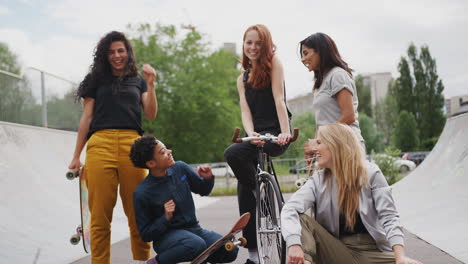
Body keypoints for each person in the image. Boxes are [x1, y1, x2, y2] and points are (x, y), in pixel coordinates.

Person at [68, 31, 157, 264]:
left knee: (138, 213)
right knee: (99, 217)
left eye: (120, 50)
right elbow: (86, 118)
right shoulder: (95, 81)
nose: (116, 55)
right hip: (100, 145)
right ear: (105, 55)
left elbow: (150, 114)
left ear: (127, 53)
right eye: (111, 51)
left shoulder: (139, 82)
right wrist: (76, 156)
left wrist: (151, 84)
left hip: (132, 146)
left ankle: (142, 261)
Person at [281, 123, 422, 264]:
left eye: (319, 142)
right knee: (300, 217)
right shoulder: (318, 180)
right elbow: (289, 209)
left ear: (336, 144)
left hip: (372, 252)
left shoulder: (371, 173)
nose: (314, 148)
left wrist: (400, 257)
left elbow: (389, 216)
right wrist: (294, 243)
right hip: (336, 251)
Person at [224, 24, 292, 264]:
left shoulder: (275, 65)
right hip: (255, 135)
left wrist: (285, 132)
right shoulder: (241, 78)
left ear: (265, 45)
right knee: (244, 185)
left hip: (275, 132)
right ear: (244, 45)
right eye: (248, 43)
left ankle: (262, 197)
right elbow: (245, 111)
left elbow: (279, 99)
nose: (252, 47)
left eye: (257, 43)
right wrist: (251, 133)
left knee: (235, 156)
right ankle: (253, 253)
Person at [129, 135, 239, 264]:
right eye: (163, 152)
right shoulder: (142, 193)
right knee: (195, 244)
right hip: (166, 238)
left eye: (166, 149)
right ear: (151, 163)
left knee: (229, 250)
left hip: (195, 230)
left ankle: (201, 257)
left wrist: (208, 178)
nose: (169, 152)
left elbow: (203, 190)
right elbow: (146, 235)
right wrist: (165, 218)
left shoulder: (180, 168)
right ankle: (156, 262)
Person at [298, 32, 365, 156]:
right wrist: (315, 146)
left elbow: (349, 116)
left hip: (346, 147)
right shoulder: (321, 82)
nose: (303, 59)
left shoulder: (337, 75)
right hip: (331, 147)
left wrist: (319, 141)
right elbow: (323, 122)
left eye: (306, 53)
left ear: (320, 51)